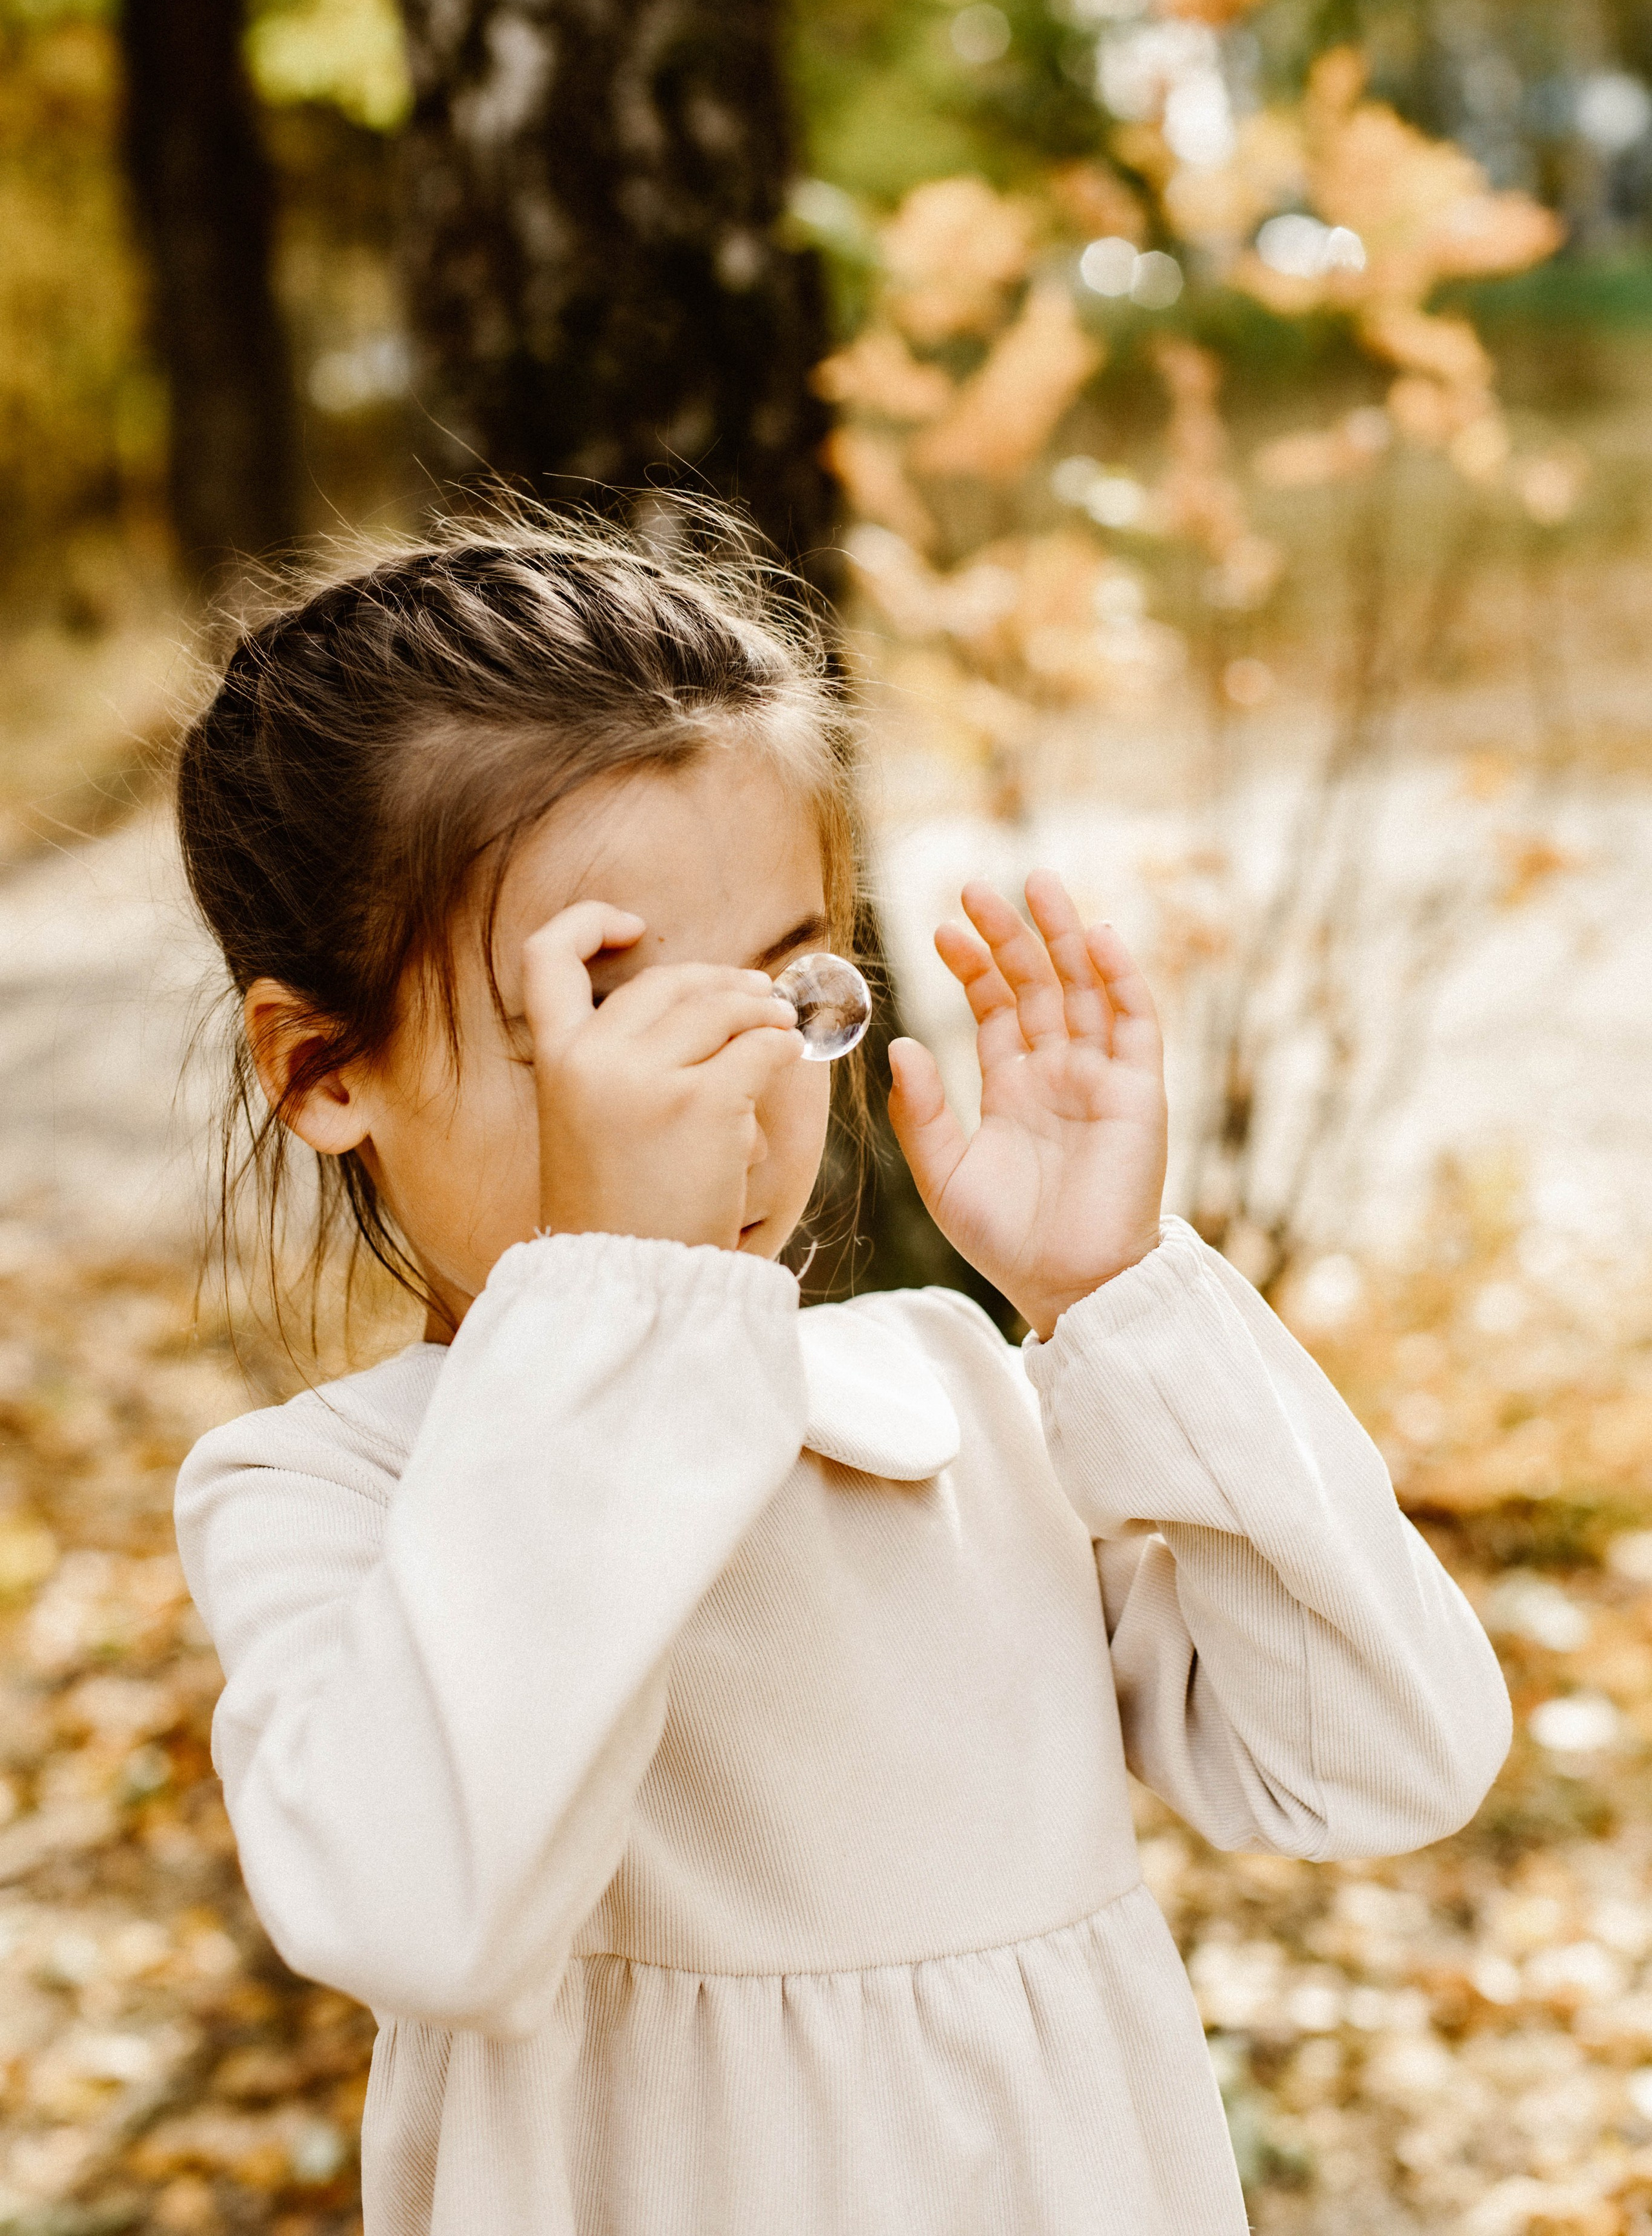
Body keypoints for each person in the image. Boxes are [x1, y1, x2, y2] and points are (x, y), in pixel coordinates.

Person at [172, 505, 1511, 2236]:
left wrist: (1118, 1294)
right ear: (321, 1066)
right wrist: (627, 1302)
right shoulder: (330, 1501)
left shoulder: (955, 1401)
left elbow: (1387, 1753)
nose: (732, 1095)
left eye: (784, 991)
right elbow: (432, 1914)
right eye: (603, 1024)